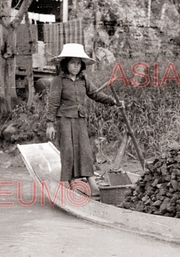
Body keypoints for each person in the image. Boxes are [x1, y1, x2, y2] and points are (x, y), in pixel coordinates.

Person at [46, 43, 123, 198]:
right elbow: (53, 102)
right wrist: (50, 124)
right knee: (68, 151)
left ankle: (92, 184)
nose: (75, 66)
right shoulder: (58, 81)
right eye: (72, 62)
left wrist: (114, 101)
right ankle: (69, 183)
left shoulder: (83, 80)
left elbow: (95, 94)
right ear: (65, 64)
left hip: (80, 119)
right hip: (64, 120)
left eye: (78, 63)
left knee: (85, 151)